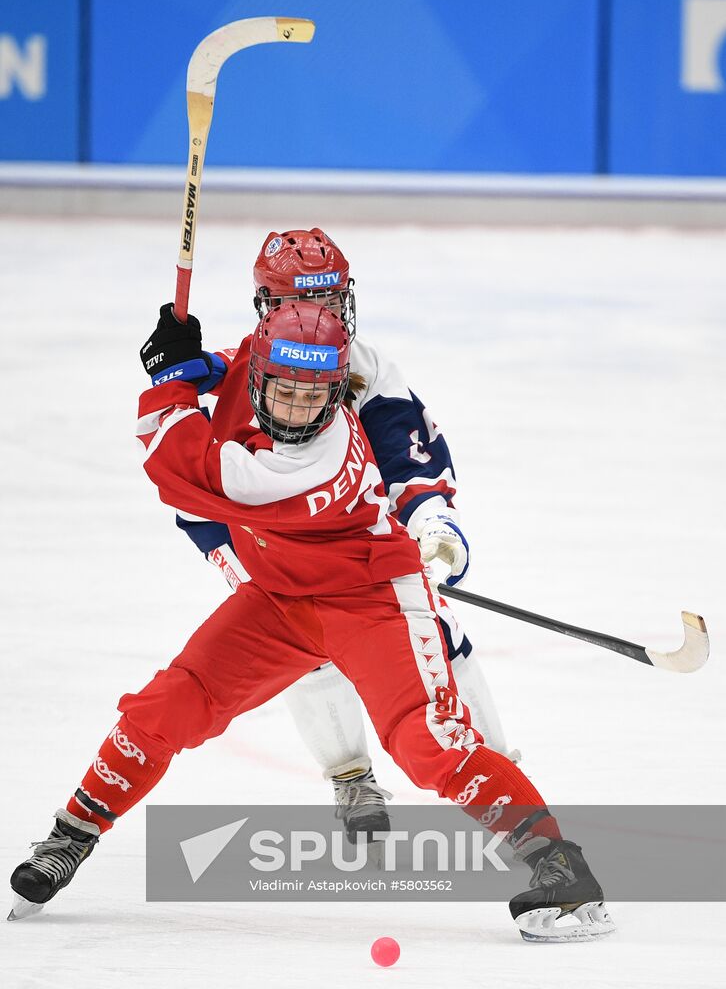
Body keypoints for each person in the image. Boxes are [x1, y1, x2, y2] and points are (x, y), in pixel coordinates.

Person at [9, 297, 613, 941]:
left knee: (427, 740)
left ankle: (565, 877)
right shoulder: (253, 370)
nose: (297, 409)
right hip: (280, 598)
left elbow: (178, 466)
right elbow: (228, 368)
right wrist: (191, 360)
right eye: (283, 391)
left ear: (338, 395)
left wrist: (170, 380)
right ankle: (70, 835)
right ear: (257, 378)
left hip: (372, 599)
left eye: (314, 396)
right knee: (169, 705)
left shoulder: (308, 463)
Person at [175, 228, 519, 842]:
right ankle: (350, 776)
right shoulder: (242, 369)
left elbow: (407, 458)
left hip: (360, 548)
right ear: (267, 308)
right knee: (304, 653)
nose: (322, 317)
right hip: (259, 543)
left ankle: (496, 776)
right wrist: (178, 371)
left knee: (439, 636)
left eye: (333, 303)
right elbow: (189, 453)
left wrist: (431, 523)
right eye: (299, 304)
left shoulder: (365, 372)